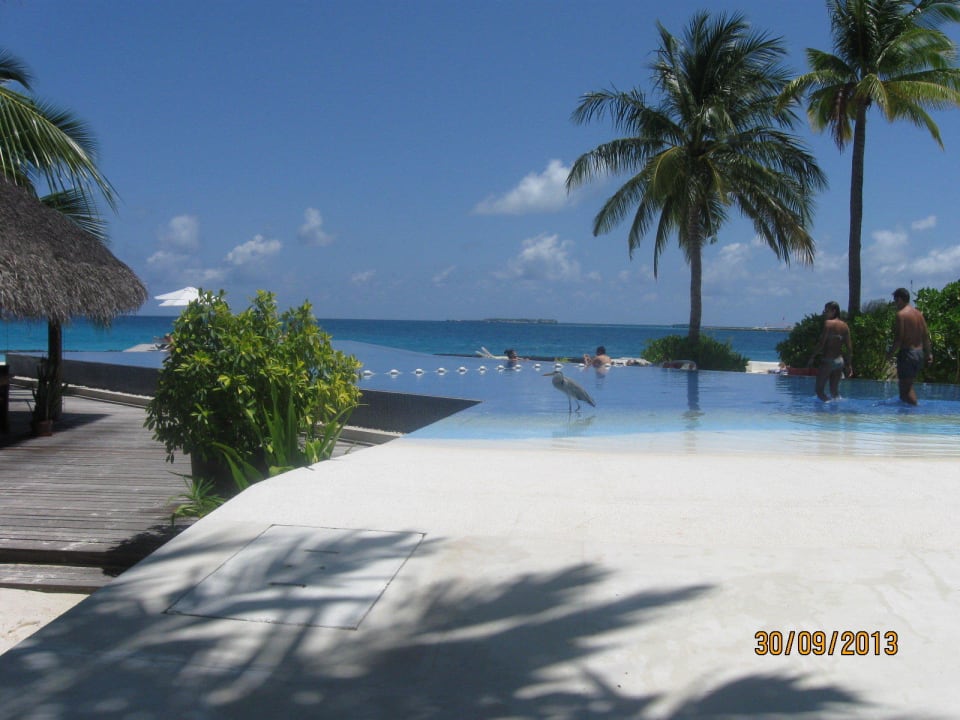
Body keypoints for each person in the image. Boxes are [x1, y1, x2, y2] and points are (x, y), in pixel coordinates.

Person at [887, 287, 933, 405]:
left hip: (907, 353)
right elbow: (925, 336)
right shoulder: (918, 314)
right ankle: (906, 416)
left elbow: (898, 339)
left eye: (895, 300)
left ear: (900, 299)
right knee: (908, 386)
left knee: (905, 390)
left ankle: (911, 416)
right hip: (919, 353)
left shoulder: (901, 315)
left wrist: (889, 354)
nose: (895, 303)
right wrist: (928, 354)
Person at [808, 301, 853, 402]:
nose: (824, 313)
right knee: (834, 392)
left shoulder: (828, 324)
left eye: (827, 311)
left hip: (828, 361)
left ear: (834, 311)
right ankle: (835, 415)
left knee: (819, 391)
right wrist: (849, 364)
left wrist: (812, 356)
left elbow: (821, 343)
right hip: (839, 362)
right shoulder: (845, 326)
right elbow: (849, 348)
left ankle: (826, 412)